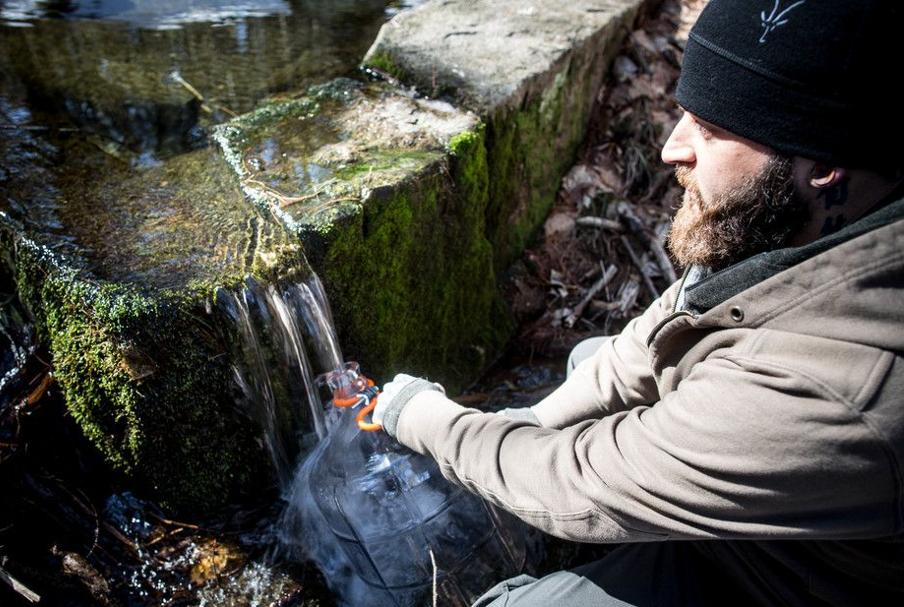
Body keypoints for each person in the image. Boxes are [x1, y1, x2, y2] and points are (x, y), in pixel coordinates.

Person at [371, 0, 904, 605]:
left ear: (826, 164)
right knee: (590, 364)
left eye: (710, 129)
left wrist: (422, 417)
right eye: (685, 114)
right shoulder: (797, 220)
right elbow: (653, 335)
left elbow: (576, 483)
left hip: (794, 583)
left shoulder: (840, 387)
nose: (671, 150)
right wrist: (531, 422)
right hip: (785, 516)